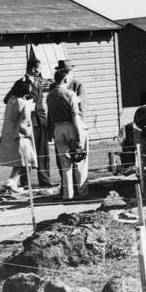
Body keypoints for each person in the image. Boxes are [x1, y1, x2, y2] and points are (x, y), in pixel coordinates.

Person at [48, 60, 89, 200]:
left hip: (58, 127)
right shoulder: (69, 93)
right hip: (72, 125)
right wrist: (79, 134)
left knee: (66, 163)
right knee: (79, 160)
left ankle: (68, 194)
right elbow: (75, 114)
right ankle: (82, 192)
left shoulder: (51, 93)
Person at [0, 77, 37, 193]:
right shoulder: (23, 102)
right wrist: (27, 132)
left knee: (21, 161)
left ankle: (13, 183)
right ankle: (12, 181)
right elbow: (25, 121)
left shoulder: (11, 100)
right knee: (29, 160)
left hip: (8, 133)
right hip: (20, 135)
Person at [24, 57, 52, 187]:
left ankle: (45, 181)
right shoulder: (22, 83)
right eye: (39, 68)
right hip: (30, 122)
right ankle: (25, 183)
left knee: (43, 152)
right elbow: (8, 99)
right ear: (33, 69)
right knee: (28, 153)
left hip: (41, 121)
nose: (40, 71)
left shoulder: (38, 81)